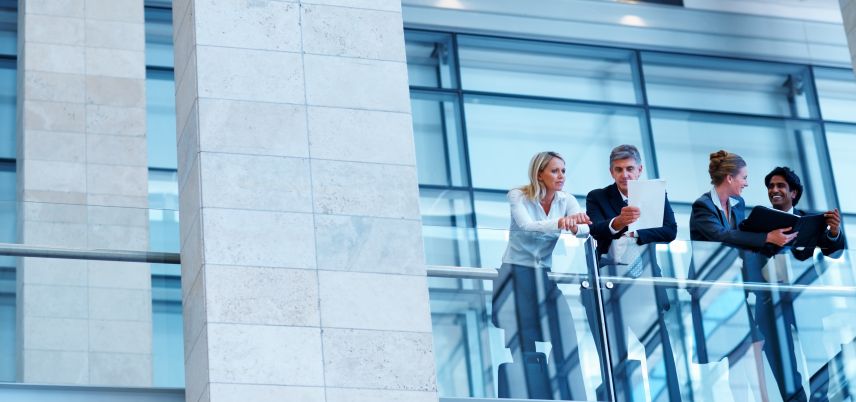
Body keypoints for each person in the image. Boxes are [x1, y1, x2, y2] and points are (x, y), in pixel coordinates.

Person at [493, 151, 592, 400]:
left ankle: (571, 394)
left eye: (563, 171)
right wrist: (562, 223)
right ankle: (528, 395)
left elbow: (583, 230)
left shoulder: (565, 200)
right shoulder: (518, 196)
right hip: (515, 274)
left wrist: (575, 224)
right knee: (524, 344)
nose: (561, 176)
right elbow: (526, 226)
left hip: (542, 275)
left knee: (565, 331)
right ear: (539, 174)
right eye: (555, 171)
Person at [585, 144, 680, 402]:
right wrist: (619, 222)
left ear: (639, 170)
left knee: (660, 349)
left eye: (629, 169)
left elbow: (671, 230)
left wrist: (636, 233)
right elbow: (596, 229)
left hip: (645, 284)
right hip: (611, 286)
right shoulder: (598, 197)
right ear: (611, 171)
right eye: (618, 170)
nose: (624, 174)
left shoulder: (654, 195)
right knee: (615, 354)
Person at [689, 150, 796, 249]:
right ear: (730, 178)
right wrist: (766, 237)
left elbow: (741, 234)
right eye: (744, 178)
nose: (746, 183)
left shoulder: (738, 202)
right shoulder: (703, 205)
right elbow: (720, 235)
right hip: (707, 268)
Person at [765, 166, 845, 260]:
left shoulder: (813, 221)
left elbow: (834, 254)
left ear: (793, 193)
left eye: (780, 186)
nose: (774, 190)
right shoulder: (761, 221)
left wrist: (834, 232)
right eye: (771, 186)